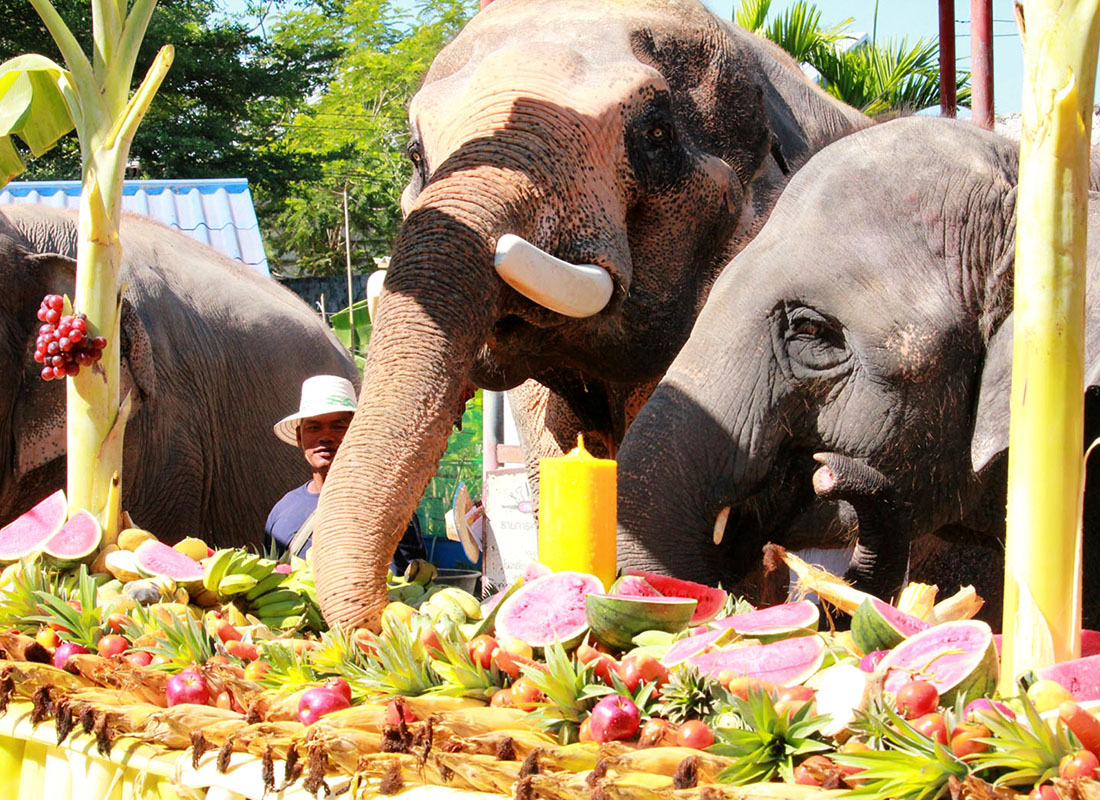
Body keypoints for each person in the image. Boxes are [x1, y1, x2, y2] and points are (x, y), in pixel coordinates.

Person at [265, 374, 427, 571]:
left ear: (358, 431)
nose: (326, 436)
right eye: (314, 427)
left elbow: (408, 590)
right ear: (300, 437)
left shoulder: (389, 506)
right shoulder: (283, 512)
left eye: (338, 426)